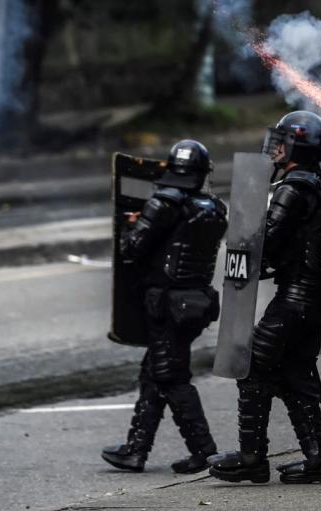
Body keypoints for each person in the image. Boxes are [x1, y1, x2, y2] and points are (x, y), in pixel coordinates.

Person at [208, 111, 321, 484]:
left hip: (295, 298)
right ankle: (320, 460)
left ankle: (252, 458)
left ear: (296, 147)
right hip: (316, 300)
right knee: (296, 374)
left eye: (282, 142)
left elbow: (264, 243)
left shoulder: (292, 189)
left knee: (251, 366)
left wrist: (242, 225)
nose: (275, 149)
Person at [101, 140, 227, 474]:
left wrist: (131, 224)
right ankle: (136, 450)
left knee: (170, 378)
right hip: (195, 303)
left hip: (168, 304)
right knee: (154, 374)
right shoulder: (214, 207)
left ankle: (205, 451)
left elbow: (132, 249)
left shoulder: (164, 203)